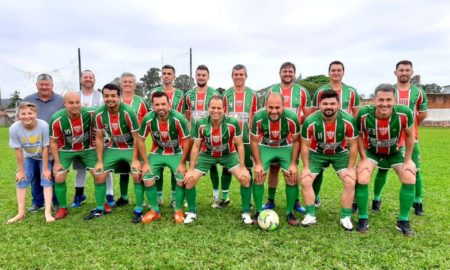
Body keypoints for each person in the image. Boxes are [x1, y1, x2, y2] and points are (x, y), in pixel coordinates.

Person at [355, 83, 416, 236]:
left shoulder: (404, 113)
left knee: (409, 177)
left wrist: (408, 160)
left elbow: (410, 135)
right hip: (372, 152)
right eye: (380, 100)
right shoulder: (363, 113)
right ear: (374, 100)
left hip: (395, 152)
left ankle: (403, 221)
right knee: (362, 177)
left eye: (388, 100)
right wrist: (363, 158)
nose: (384, 103)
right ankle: (363, 218)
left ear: (395, 100)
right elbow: (359, 136)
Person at [183, 96, 251, 224]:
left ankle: (246, 212)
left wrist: (243, 167)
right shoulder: (200, 123)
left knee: (245, 178)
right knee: (189, 180)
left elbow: (240, 145)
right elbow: (196, 146)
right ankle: (192, 212)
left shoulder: (232, 122)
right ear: (208, 108)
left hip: (228, 154)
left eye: (219, 108)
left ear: (224, 109)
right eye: (213, 107)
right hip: (207, 155)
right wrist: (191, 169)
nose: (216, 111)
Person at [372, 60, 428, 216]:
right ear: (395, 72)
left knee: (415, 170)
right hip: (389, 138)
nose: (404, 73)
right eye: (401, 70)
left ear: (412, 72)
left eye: (407, 70)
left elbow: (422, 114)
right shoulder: (389, 91)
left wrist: (411, 126)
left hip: (411, 138)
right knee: (382, 170)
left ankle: (418, 202)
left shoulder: (418, 92)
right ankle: (376, 199)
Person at [300, 90, 358, 230]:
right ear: (320, 105)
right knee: (305, 180)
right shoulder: (310, 121)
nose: (328, 107)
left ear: (338, 104)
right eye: (325, 104)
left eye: (332, 103)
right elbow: (305, 146)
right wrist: (306, 167)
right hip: (317, 153)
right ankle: (310, 214)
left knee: (350, 181)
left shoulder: (348, 120)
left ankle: (345, 216)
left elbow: (353, 145)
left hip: (340, 153)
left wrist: (350, 168)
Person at [86, 83, 141, 220]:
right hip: (114, 147)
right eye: (106, 96)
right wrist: (99, 161)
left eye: (113, 96)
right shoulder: (99, 113)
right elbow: (99, 138)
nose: (109, 99)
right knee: (99, 174)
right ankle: (99, 208)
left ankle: (139, 209)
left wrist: (135, 160)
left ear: (119, 96)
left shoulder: (128, 112)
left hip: (130, 148)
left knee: (136, 174)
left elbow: (137, 138)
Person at [263, 62, 312, 213]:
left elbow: (308, 113)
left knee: (292, 169)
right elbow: (265, 111)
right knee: (273, 169)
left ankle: (295, 201)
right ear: (280, 73)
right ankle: (270, 200)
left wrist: (296, 124)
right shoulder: (272, 90)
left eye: (290, 72)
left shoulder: (302, 91)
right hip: (273, 138)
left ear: (294, 73)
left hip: (292, 139)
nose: (287, 74)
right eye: (285, 71)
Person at [137, 92, 191, 224]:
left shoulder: (178, 118)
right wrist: (145, 162)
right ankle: (155, 211)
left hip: (175, 152)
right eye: (157, 104)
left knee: (181, 177)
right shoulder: (148, 119)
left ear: (169, 105)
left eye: (163, 104)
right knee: (147, 176)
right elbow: (140, 140)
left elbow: (187, 140)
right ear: (152, 106)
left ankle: (178, 210)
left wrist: (183, 162)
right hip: (157, 152)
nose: (160, 107)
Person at [312, 61, 360, 207]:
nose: (336, 73)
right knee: (317, 171)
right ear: (329, 72)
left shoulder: (352, 91)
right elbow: (315, 114)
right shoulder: (320, 91)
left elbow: (356, 115)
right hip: (322, 139)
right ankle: (315, 198)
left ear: (343, 72)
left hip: (344, 140)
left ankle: (353, 200)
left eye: (339, 70)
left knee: (350, 172)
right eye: (333, 70)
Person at [251, 92, 302, 225]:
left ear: (283, 106)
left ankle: (289, 212)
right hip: (266, 146)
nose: (274, 111)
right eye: (270, 107)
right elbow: (254, 141)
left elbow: (297, 141)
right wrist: (257, 163)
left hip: (285, 146)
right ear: (265, 106)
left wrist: (293, 163)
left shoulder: (292, 117)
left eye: (277, 107)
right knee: (259, 174)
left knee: (291, 176)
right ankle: (258, 211)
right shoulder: (258, 116)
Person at [49, 92, 97, 220]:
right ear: (65, 104)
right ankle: (63, 208)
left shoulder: (91, 113)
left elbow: (106, 113)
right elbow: (53, 142)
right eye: (71, 103)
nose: (75, 105)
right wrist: (57, 162)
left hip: (88, 149)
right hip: (66, 150)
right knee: (59, 177)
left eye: (77, 102)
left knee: (99, 175)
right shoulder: (57, 118)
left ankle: (100, 205)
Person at [72, 70, 115, 208]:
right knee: (80, 168)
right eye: (85, 77)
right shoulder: (75, 96)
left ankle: (109, 194)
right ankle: (79, 195)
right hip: (80, 138)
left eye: (91, 77)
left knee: (103, 166)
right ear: (81, 80)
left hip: (99, 137)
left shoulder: (101, 97)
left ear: (94, 80)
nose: (88, 79)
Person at [8, 102, 54, 223]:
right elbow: (18, 151)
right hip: (28, 156)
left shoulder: (43, 125)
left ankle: (47, 212)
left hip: (44, 156)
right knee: (21, 179)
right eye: (23, 113)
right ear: (18, 116)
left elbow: (45, 148)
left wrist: (45, 169)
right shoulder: (14, 128)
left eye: (30, 113)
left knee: (46, 178)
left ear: (36, 114)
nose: (27, 116)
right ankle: (21, 213)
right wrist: (21, 171)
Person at [23, 73, 64, 212]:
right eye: (42, 84)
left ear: (52, 85)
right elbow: (22, 119)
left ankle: (56, 202)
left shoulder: (60, 100)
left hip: (52, 145)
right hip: (32, 145)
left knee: (51, 173)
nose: (44, 87)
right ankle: (37, 202)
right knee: (34, 175)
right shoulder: (28, 99)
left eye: (47, 84)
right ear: (37, 85)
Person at [184, 65, 223, 208]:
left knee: (212, 165)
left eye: (203, 75)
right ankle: (189, 196)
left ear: (208, 76)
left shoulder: (214, 93)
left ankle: (215, 196)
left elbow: (219, 113)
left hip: (211, 135)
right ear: (195, 76)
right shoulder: (189, 94)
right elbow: (188, 115)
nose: (201, 77)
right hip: (194, 136)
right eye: (198, 75)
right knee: (191, 164)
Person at [148, 65, 185, 207]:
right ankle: (158, 197)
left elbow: (182, 116)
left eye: (169, 73)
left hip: (176, 138)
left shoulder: (180, 94)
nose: (166, 76)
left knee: (176, 168)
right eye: (164, 73)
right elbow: (150, 115)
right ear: (161, 76)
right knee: (159, 168)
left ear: (174, 76)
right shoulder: (153, 92)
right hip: (158, 138)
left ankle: (175, 198)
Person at [221, 64, 258, 208]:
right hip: (229, 138)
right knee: (226, 167)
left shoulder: (253, 95)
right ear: (232, 76)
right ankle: (225, 197)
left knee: (247, 168)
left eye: (241, 74)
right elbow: (222, 116)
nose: (238, 77)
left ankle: (247, 201)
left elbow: (254, 117)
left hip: (247, 138)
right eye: (236, 74)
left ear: (246, 76)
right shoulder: (226, 95)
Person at [114, 72, 150, 208]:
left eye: (130, 82)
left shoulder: (141, 102)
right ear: (121, 84)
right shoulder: (116, 100)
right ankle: (123, 197)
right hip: (120, 143)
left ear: (134, 84)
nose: (128, 84)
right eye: (125, 82)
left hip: (136, 142)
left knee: (139, 171)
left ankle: (143, 200)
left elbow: (147, 120)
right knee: (124, 172)